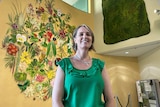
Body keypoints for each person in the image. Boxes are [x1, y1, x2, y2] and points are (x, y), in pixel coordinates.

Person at [52, 24, 115, 107]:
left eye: (88, 34)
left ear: (92, 40)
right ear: (75, 40)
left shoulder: (100, 65)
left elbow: (110, 99)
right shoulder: (64, 65)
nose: (85, 36)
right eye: (81, 34)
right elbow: (56, 101)